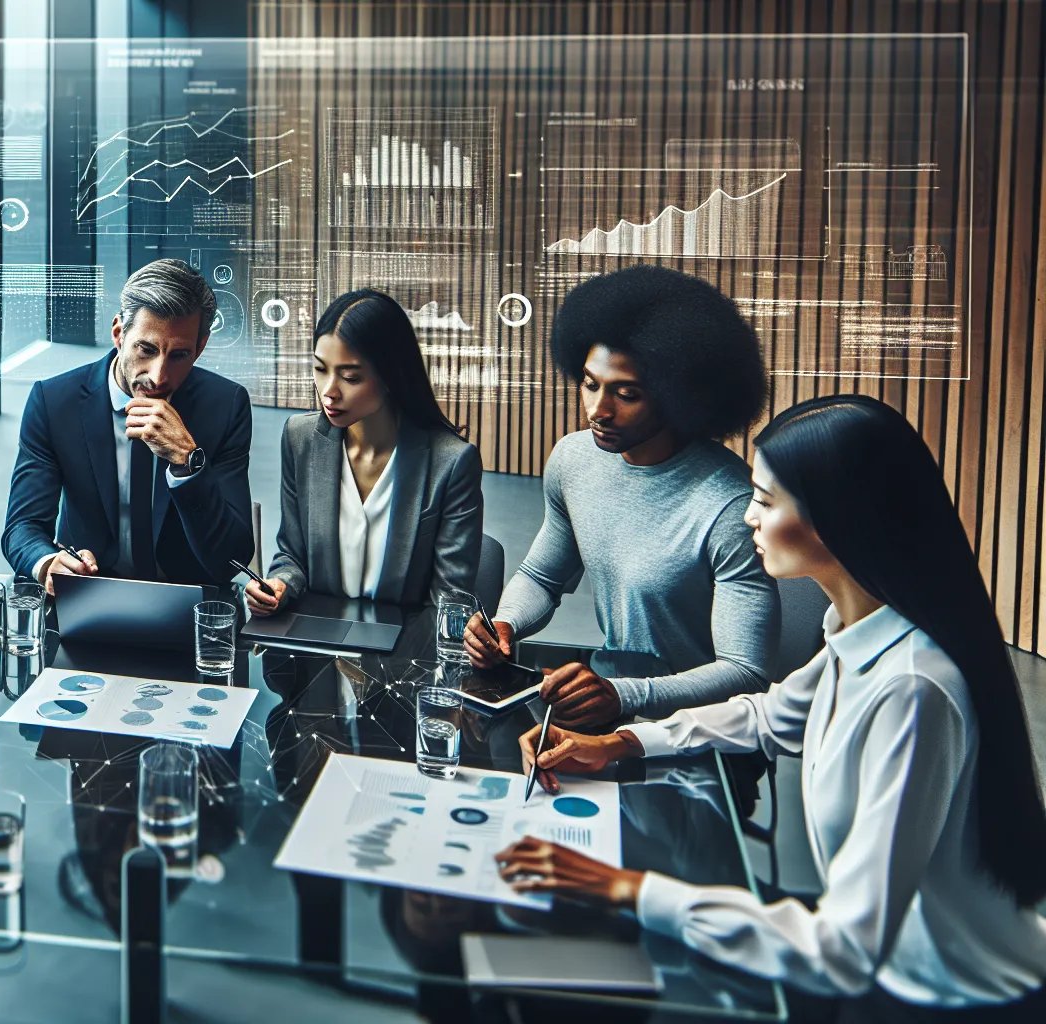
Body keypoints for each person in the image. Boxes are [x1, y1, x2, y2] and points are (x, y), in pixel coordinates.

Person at [496, 395, 1046, 1022]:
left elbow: (842, 951)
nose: (748, 517)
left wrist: (626, 888)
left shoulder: (914, 688)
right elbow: (768, 715)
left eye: (763, 498)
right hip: (895, 969)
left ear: (838, 516)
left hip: (946, 1000)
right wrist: (621, 743)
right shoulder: (860, 629)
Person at [464, 265, 779, 727]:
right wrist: (505, 625)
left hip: (700, 737)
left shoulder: (731, 507)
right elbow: (542, 577)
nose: (598, 410)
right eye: (591, 384)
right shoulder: (574, 461)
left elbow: (745, 671)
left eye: (626, 394)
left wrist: (623, 694)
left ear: (679, 396)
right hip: (609, 714)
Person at [2, 258, 254, 590]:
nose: (158, 376)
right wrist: (48, 563)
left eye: (179, 355)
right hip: (86, 597)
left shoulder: (226, 406)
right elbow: (22, 526)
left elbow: (231, 560)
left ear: (200, 347)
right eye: (146, 349)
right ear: (119, 334)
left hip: (186, 604)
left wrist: (187, 464)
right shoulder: (53, 402)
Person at [246, 289, 482, 615]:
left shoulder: (451, 463)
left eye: (350, 376)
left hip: (403, 652)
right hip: (317, 642)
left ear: (390, 375)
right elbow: (292, 555)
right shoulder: (300, 440)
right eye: (320, 369)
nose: (329, 391)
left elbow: (450, 602)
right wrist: (280, 584)